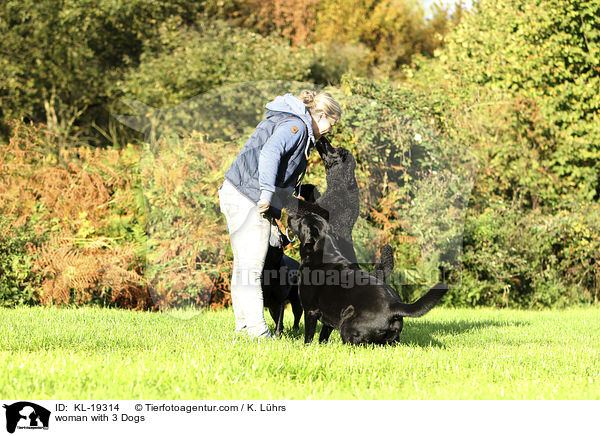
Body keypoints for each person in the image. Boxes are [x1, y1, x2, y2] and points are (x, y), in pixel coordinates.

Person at [218, 89, 342, 338]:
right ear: (319, 115)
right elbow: (270, 153)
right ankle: (257, 332)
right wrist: (266, 194)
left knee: (243, 267)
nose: (330, 129)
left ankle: (244, 329)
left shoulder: (290, 120)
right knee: (252, 268)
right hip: (248, 196)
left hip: (237, 192)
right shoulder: (296, 126)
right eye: (331, 122)